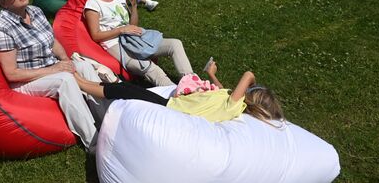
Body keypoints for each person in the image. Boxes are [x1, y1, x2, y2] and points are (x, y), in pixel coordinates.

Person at [0, 0, 107, 152]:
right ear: (2, 2)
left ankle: (107, 122)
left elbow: (53, 42)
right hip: (25, 80)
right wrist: (55, 69)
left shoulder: (35, 11)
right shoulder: (1, 28)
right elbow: (11, 73)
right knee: (64, 79)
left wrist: (66, 60)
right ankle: (94, 143)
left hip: (50, 66)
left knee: (84, 66)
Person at [84, 0, 194, 86]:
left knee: (175, 44)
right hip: (115, 44)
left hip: (133, 39)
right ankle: (176, 96)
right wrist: (121, 30)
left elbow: (133, 25)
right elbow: (96, 35)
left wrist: (134, 5)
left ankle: (192, 83)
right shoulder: (93, 3)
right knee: (149, 67)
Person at [73, 60, 284, 125]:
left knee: (123, 90)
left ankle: (81, 83)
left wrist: (253, 83)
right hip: (171, 105)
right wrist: (212, 74)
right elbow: (222, 92)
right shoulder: (232, 105)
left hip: (170, 109)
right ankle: (86, 82)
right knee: (129, 89)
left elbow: (248, 74)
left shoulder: (238, 105)